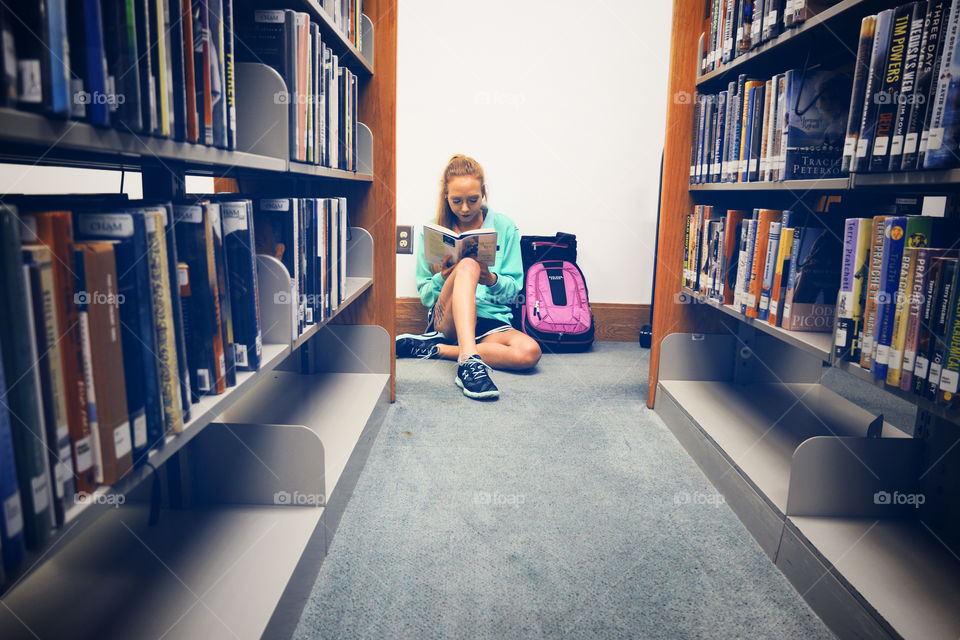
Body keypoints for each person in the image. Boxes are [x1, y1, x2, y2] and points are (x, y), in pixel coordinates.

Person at [396, 154, 541, 399]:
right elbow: (425, 296)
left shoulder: (505, 227)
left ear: (483, 192)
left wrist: (491, 279)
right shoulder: (434, 230)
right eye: (456, 201)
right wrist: (445, 277)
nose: (465, 208)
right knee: (468, 265)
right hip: (447, 319)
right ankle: (469, 363)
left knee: (530, 352)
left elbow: (514, 289)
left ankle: (438, 350)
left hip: (490, 319)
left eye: (472, 200)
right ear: (446, 196)